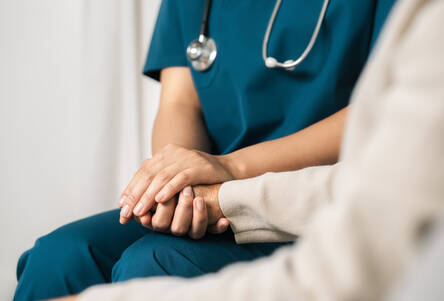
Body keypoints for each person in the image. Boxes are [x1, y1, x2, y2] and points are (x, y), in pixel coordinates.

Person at [51, 0, 444, 299]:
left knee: (153, 263)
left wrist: (230, 169)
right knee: (61, 256)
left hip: (310, 202)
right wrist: (177, 187)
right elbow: (178, 103)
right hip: (209, 195)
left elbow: (385, 111)